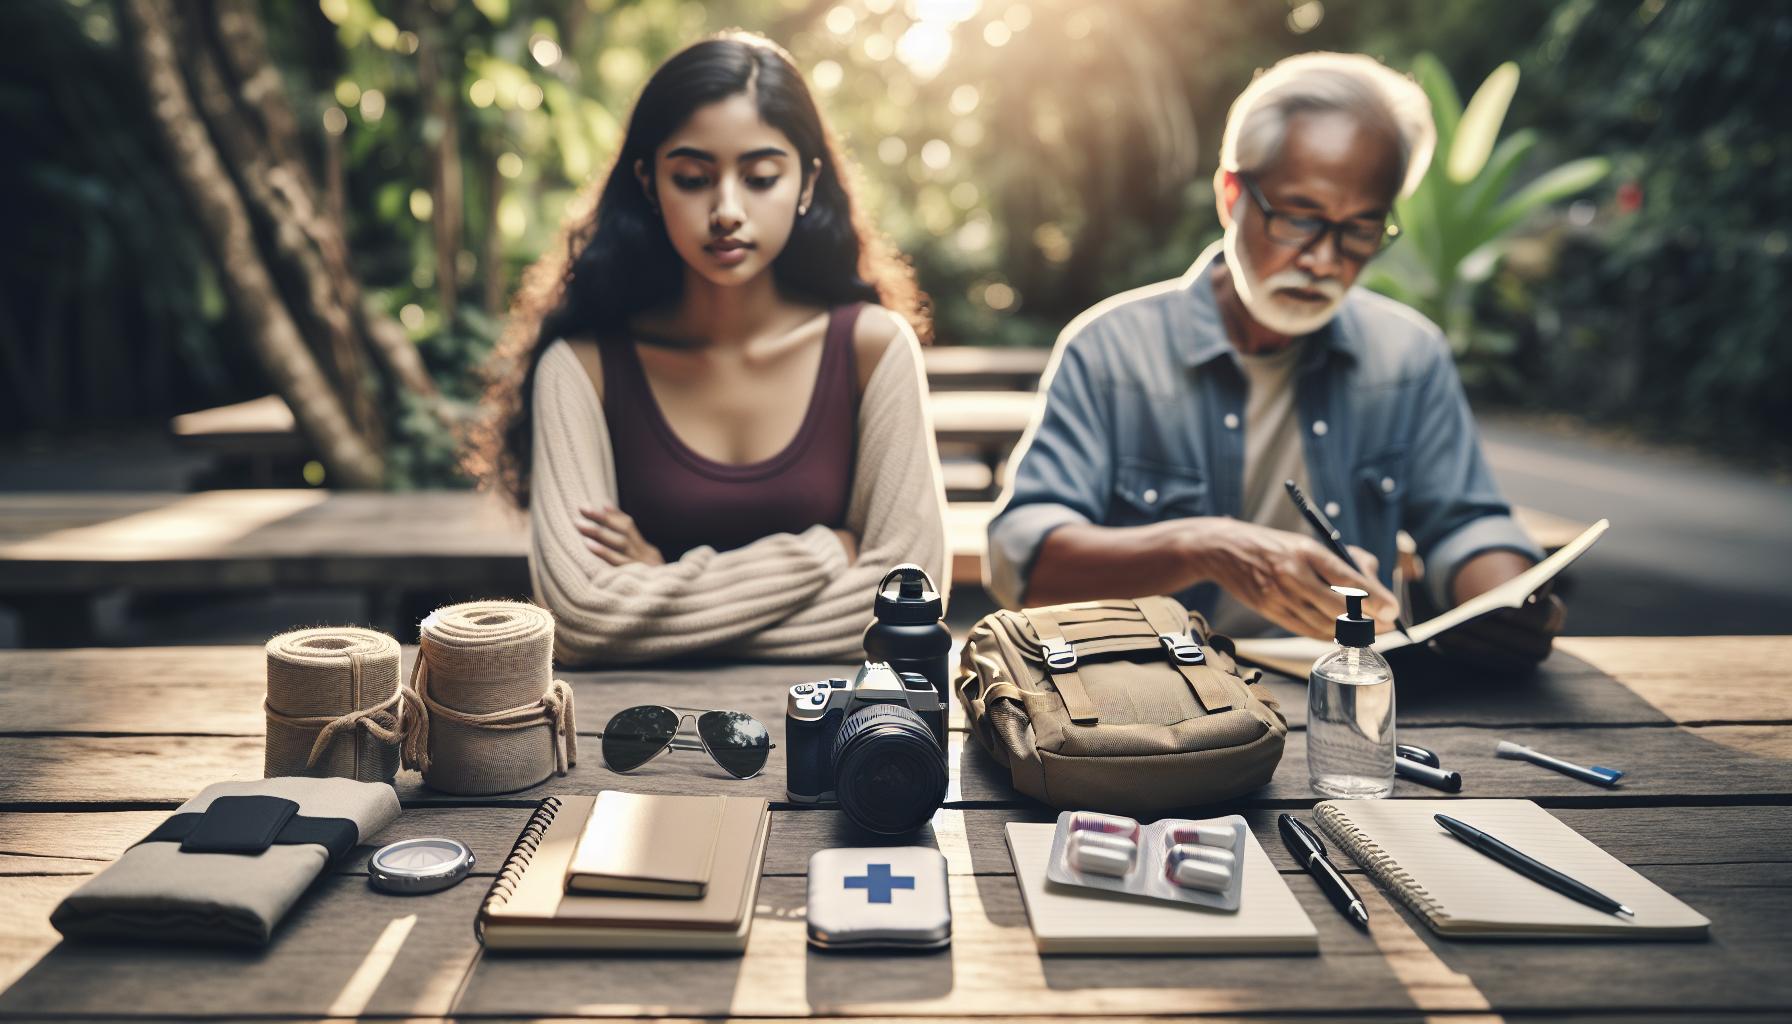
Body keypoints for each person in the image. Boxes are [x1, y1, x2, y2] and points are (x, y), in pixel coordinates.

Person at [986, 52, 1563, 669]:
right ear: (1231, 195)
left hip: (1343, 688)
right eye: (1299, 218)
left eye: (1360, 229)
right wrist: (1206, 547)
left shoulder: (1407, 355)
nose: (1323, 260)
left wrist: (1509, 600)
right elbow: (1023, 562)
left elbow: (1465, 525)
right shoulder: (1111, 350)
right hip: (1160, 697)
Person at [467, 32, 947, 665]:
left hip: (836, 721)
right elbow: (582, 617)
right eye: (693, 178)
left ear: (807, 183)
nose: (726, 210)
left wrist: (660, 590)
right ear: (648, 183)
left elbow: (912, 603)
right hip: (639, 727)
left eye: (761, 178)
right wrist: (826, 552)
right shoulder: (582, 368)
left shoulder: (873, 349)